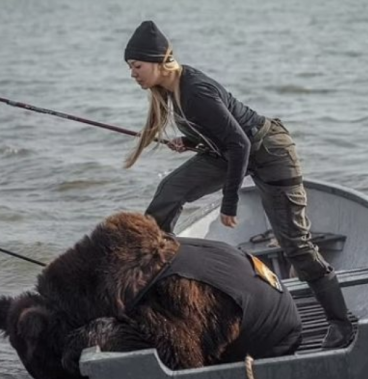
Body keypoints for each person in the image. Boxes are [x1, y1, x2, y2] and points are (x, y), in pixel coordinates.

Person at [122, 20, 352, 351]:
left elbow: (240, 144)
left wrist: (228, 205)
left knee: (296, 246)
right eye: (130, 67)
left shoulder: (195, 91)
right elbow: (222, 133)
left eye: (137, 65)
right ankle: (152, 266)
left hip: (269, 151)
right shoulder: (172, 90)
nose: (132, 73)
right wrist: (189, 141)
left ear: (159, 62)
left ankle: (341, 324)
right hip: (230, 151)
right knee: (170, 190)